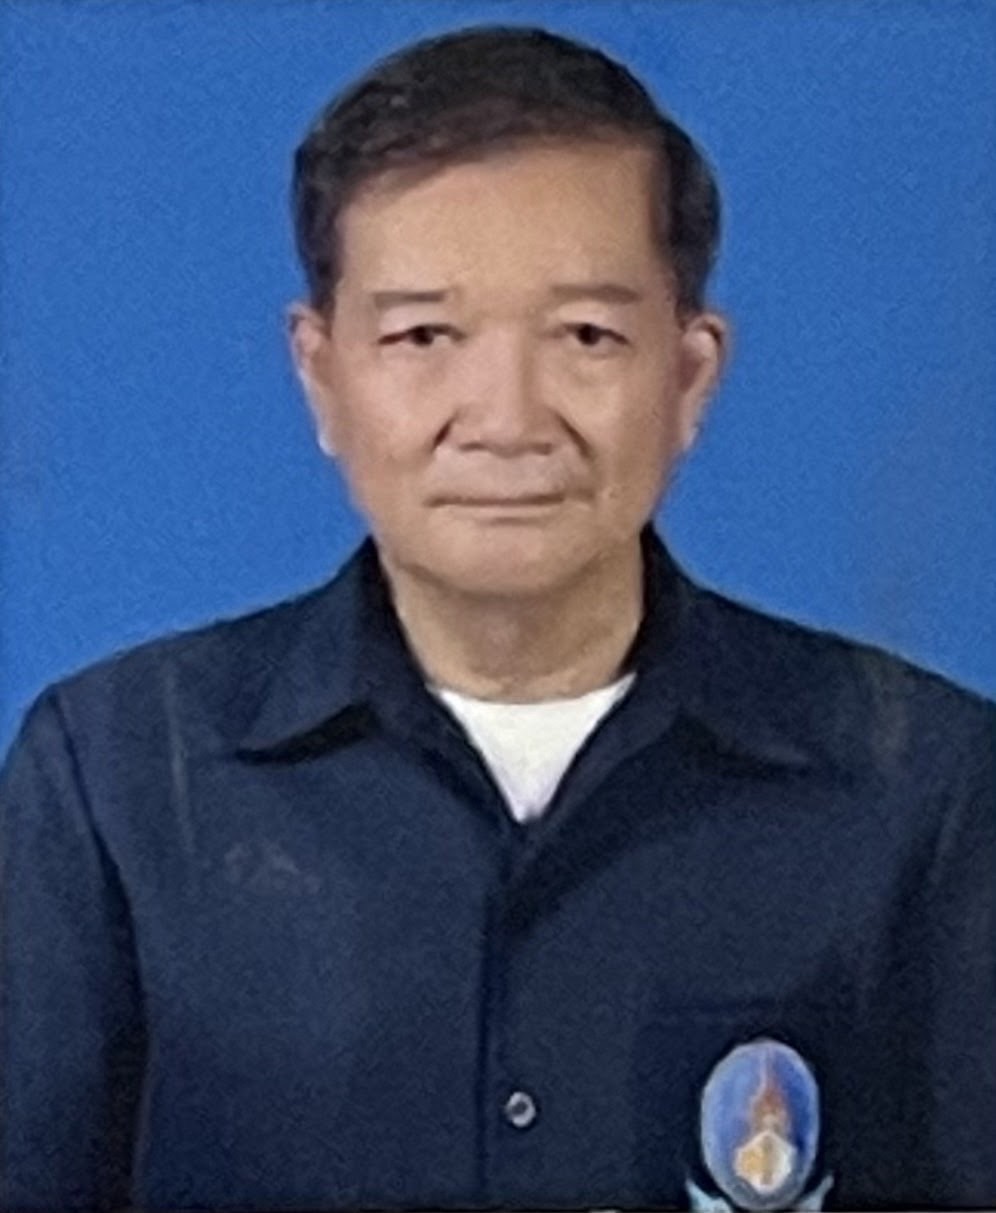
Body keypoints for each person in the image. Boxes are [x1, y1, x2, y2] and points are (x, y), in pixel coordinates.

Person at [1, 23, 993, 1213]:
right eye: (424, 336)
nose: (507, 419)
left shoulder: (922, 789)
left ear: (689, 376)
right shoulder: (114, 780)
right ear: (322, 374)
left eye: (586, 336)